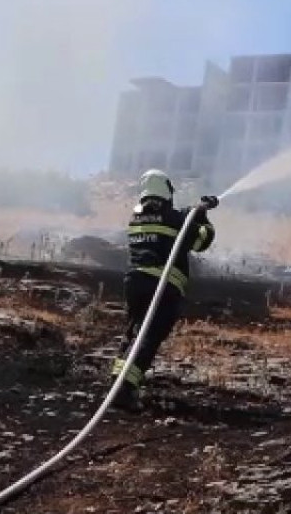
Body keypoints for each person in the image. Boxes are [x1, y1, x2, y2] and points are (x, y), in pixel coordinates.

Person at [112, 169, 218, 412]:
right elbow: (202, 241)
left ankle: (117, 382)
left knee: (134, 333)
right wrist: (201, 216)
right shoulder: (175, 218)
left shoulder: (136, 218)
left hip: (135, 282)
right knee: (150, 337)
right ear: (167, 190)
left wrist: (192, 213)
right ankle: (125, 390)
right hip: (162, 286)